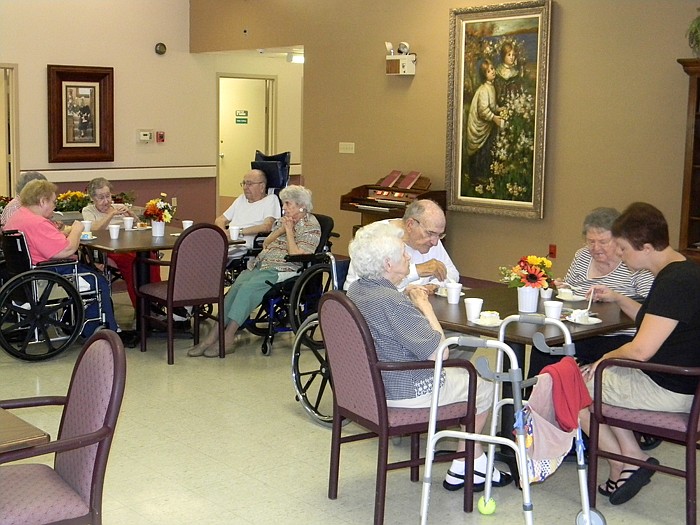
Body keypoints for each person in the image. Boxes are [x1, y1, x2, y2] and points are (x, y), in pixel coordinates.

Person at [346, 221, 511, 492]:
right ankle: (467, 461)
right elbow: (441, 353)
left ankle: (471, 462)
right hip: (405, 390)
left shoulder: (357, 291)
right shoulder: (391, 301)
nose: (409, 257)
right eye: (403, 253)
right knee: (483, 386)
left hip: (369, 388)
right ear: (388, 264)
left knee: (466, 375)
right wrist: (423, 305)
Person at [579, 202, 700, 505]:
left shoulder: (675, 282)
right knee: (599, 376)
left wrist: (604, 359)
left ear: (645, 247)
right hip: (679, 381)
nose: (619, 254)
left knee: (569, 385)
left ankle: (625, 461)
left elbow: (641, 349)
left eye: (622, 248)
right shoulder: (683, 270)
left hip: (672, 389)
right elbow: (653, 320)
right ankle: (630, 458)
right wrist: (619, 297)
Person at [188, 185, 321, 358]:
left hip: (285, 268)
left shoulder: (311, 226)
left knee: (247, 290)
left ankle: (228, 337)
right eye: (284, 204)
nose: (284, 208)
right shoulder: (284, 221)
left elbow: (296, 254)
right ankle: (213, 336)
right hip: (262, 264)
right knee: (236, 288)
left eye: (288, 204)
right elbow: (266, 243)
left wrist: (288, 232)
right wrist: (281, 229)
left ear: (301, 205)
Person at [529, 207, 654, 378]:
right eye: (590, 241)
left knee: (557, 349)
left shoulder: (634, 263)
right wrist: (563, 287)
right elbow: (570, 287)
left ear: (619, 240)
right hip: (579, 330)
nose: (595, 248)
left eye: (603, 242)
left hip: (618, 335)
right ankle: (531, 399)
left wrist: (616, 298)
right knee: (544, 345)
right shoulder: (582, 256)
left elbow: (650, 307)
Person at [4, 179, 126, 342]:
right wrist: (77, 229)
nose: (55, 206)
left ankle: (82, 322)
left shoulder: (19, 217)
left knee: (90, 271)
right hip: (48, 272)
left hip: (27, 273)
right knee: (98, 280)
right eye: (54, 202)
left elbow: (46, 242)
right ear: (42, 201)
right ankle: (99, 329)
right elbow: (66, 250)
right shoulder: (37, 222)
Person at [81, 177, 165, 312]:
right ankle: (141, 307)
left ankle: (155, 300)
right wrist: (111, 214)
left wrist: (130, 214)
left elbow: (139, 226)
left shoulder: (118, 207)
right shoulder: (88, 210)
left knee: (151, 257)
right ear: (92, 198)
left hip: (130, 243)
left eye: (108, 196)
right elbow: (94, 229)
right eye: (101, 197)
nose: (106, 201)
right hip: (109, 248)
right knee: (134, 264)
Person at [344, 199, 459, 292]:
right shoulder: (376, 238)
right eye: (430, 233)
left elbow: (452, 274)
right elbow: (369, 290)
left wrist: (434, 285)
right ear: (410, 224)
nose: (435, 242)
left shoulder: (432, 240)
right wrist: (416, 271)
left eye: (439, 235)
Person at [214, 168, 281, 259]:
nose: (245, 187)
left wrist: (239, 232)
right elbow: (220, 219)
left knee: (214, 258)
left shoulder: (271, 200)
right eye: (244, 183)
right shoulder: (241, 199)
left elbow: (267, 226)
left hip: (243, 246)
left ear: (262, 186)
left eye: (249, 184)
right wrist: (224, 232)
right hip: (228, 242)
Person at [466, 58, 504, 182]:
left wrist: (499, 109)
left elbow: (491, 106)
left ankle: (485, 173)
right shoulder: (483, 90)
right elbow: (483, 111)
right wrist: (494, 118)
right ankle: (477, 177)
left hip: (486, 125)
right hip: (478, 127)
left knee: (486, 149)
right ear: (484, 75)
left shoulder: (491, 87)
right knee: (480, 151)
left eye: (492, 68)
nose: (492, 72)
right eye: (488, 71)